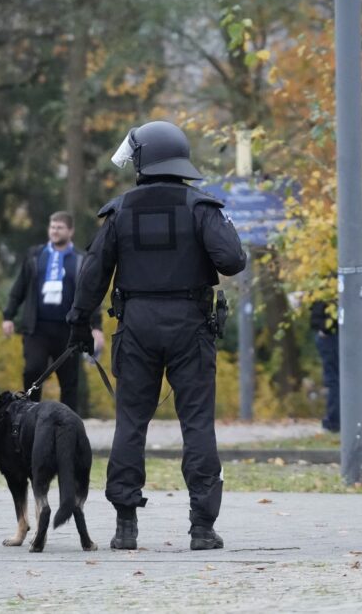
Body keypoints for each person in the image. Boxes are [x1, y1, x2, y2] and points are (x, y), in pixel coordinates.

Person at [66, 120, 246, 551]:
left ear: (144, 159)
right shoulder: (201, 207)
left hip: (138, 325)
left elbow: (93, 273)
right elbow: (232, 261)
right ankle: (202, 528)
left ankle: (125, 526)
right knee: (197, 425)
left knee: (131, 423)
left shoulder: (119, 211)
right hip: (190, 325)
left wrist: (78, 322)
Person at [1, 211, 103, 415]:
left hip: (68, 330)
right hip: (36, 327)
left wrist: (97, 327)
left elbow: (90, 295)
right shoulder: (35, 255)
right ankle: (29, 417)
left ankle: (68, 423)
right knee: (33, 370)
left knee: (69, 380)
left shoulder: (80, 260)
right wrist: (8, 316)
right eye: (52, 227)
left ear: (70, 231)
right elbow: (19, 288)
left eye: (60, 227)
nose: (54, 231)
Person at [310, 300, 340, 433]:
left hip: (330, 336)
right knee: (336, 379)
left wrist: (324, 329)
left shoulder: (330, 287)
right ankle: (336, 420)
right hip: (331, 335)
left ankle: (334, 422)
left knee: (333, 380)